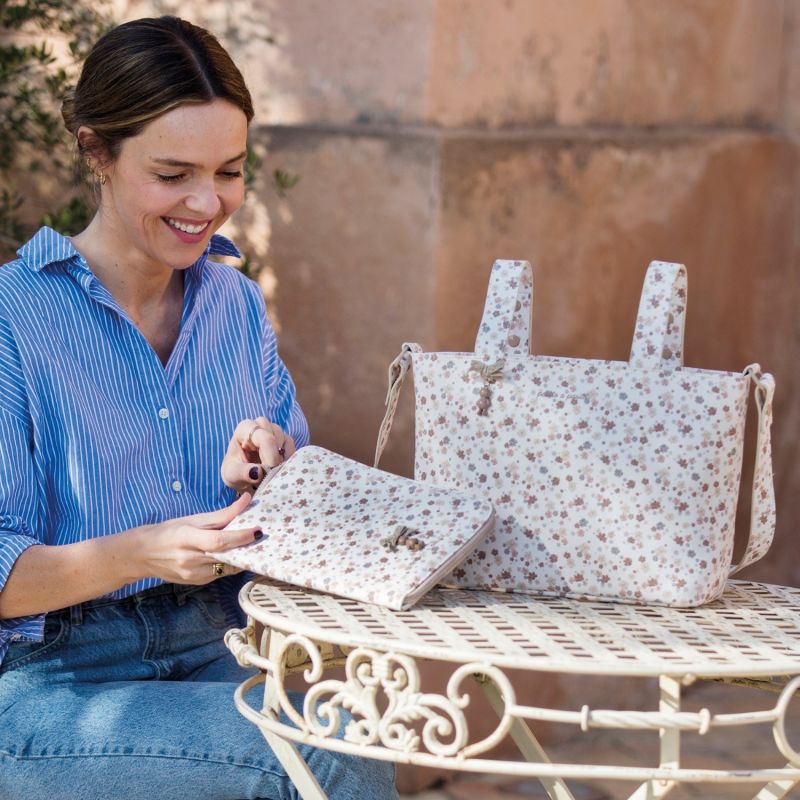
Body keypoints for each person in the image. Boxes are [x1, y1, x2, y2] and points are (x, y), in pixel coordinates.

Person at [0, 16, 397, 800]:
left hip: (223, 641)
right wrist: (139, 552)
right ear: (96, 153)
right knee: (309, 760)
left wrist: (270, 470)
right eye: (173, 172)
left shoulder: (237, 307)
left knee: (354, 731)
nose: (205, 202)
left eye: (228, 171)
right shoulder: (13, 318)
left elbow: (298, 527)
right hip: (55, 684)